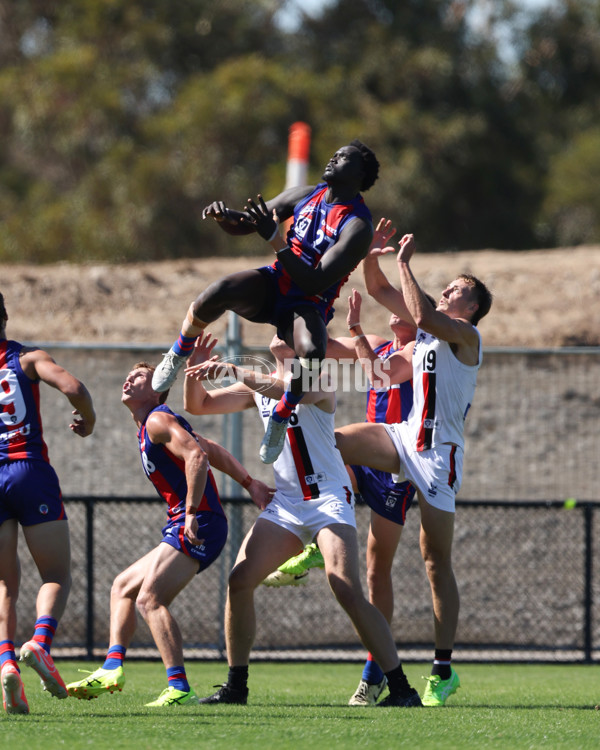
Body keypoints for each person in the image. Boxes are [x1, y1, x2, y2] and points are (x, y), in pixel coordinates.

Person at [182, 331, 422, 708]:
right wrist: (191, 371)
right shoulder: (260, 387)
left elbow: (289, 391)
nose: (279, 332)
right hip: (289, 503)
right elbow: (198, 406)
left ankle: (403, 689)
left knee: (344, 586)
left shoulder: (318, 378)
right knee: (240, 580)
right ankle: (235, 688)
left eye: (290, 330)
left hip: (328, 498)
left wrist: (232, 369)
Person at [334, 227, 493, 708]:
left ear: (471, 309)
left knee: (434, 562)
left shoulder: (466, 336)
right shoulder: (422, 341)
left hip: (438, 458)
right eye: (448, 287)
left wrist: (404, 263)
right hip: (404, 437)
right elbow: (383, 299)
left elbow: (418, 308)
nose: (448, 291)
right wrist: (369, 255)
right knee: (333, 442)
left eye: (457, 291)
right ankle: (325, 531)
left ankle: (442, 669)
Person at [152, 140, 380, 466]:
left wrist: (275, 237)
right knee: (217, 292)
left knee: (313, 352)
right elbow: (249, 222)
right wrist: (225, 217)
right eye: (336, 152)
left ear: (360, 174)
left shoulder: (358, 225)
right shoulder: (306, 195)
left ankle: (282, 414)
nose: (334, 157)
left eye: (345, 157)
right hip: (275, 285)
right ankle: (177, 352)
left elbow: (314, 281)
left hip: (307, 303)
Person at [65, 362, 273, 707]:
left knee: (150, 599)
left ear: (158, 389)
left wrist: (191, 512)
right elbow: (209, 448)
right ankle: (111, 668)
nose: (129, 378)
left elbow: (196, 457)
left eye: (140, 376)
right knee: (123, 587)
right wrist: (251, 484)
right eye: (128, 373)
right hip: (188, 520)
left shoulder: (158, 419)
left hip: (199, 521)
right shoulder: (152, 425)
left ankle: (178, 687)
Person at [0, 291, 96, 715]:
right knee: (56, 574)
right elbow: (73, 386)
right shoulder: (27, 358)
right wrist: (87, 419)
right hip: (30, 471)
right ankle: (39, 644)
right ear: (4, 317)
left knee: (5, 583)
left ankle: (6, 663)